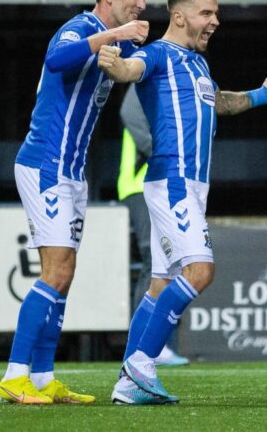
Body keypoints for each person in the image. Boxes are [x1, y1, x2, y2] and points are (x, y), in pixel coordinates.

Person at [98, 0, 267, 405]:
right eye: (207, 13)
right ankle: (140, 368)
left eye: (216, 14)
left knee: (161, 283)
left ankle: (129, 381)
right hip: (174, 181)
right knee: (199, 272)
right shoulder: (158, 55)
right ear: (180, 16)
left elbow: (217, 102)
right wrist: (114, 63)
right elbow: (131, 70)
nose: (215, 21)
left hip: (191, 185)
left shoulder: (198, 65)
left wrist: (261, 94)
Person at [0, 0, 150, 405]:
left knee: (64, 275)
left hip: (72, 172)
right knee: (58, 270)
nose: (141, 4)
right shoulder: (80, 27)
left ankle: (43, 378)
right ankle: (14, 376)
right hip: (45, 165)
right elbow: (55, 59)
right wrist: (113, 38)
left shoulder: (107, 43)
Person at [118, 86, 190, 366]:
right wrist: (161, 155)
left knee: (167, 261)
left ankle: (154, 344)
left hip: (160, 183)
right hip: (140, 183)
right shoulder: (148, 75)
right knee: (153, 260)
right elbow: (129, 113)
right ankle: (148, 346)